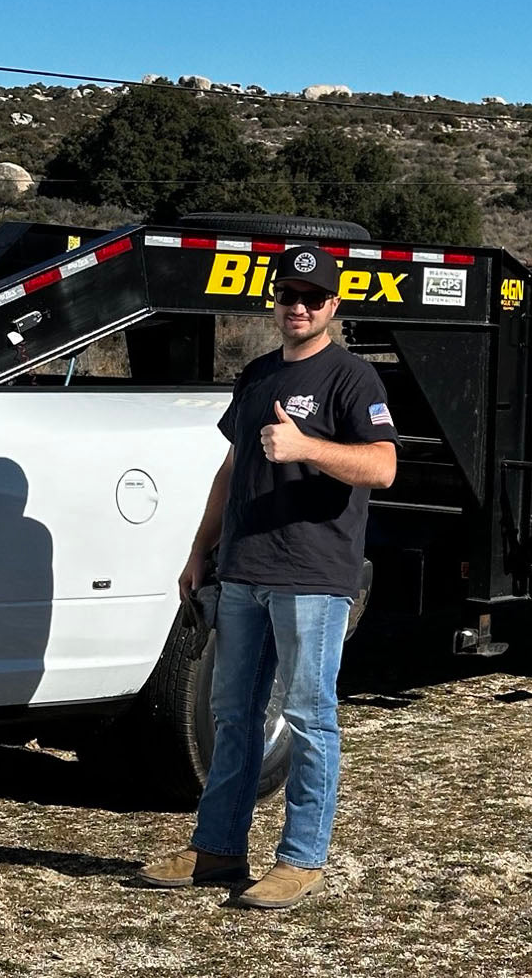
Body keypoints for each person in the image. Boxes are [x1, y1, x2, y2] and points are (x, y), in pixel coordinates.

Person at [137, 243, 398, 909]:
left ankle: (301, 859)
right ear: (275, 301)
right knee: (233, 716)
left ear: (333, 307)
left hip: (312, 575)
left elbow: (383, 467)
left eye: (314, 298)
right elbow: (232, 470)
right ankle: (217, 850)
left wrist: (306, 446)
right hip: (244, 570)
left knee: (309, 717)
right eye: (290, 296)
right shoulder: (255, 376)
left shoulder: (353, 378)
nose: (300, 307)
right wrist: (201, 549)